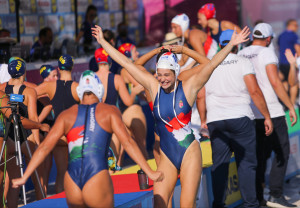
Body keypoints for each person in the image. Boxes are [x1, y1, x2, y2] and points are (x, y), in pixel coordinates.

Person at [92, 24, 250, 207]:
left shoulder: (189, 87)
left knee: (186, 205)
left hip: (189, 152)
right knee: (159, 203)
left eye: (167, 75)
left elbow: (212, 63)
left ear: (176, 72)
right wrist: (102, 41)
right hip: (166, 154)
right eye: (159, 74)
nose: (162, 79)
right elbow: (126, 63)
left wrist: (230, 45)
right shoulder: (153, 86)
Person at [12, 70, 164, 207]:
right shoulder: (109, 111)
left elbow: (45, 147)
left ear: (79, 92)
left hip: (72, 180)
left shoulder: (67, 115)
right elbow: (128, 143)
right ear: (99, 90)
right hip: (96, 176)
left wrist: (25, 176)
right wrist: (149, 172)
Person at [199, 29, 273, 208]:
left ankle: (218, 204)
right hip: (240, 118)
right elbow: (254, 91)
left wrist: (203, 120)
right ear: (237, 43)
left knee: (220, 165)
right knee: (246, 164)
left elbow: (201, 95)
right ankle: (250, 205)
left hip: (215, 120)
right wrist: (267, 116)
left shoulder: (211, 64)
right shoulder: (242, 62)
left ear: (220, 45)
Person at [238, 23, 297, 208]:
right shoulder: (267, 52)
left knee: (258, 156)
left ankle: (258, 197)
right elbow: (275, 82)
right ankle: (276, 194)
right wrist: (290, 106)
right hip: (271, 111)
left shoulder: (241, 53)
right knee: (281, 153)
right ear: (269, 39)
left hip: (250, 113)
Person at [0, 58, 46, 206]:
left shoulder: (1, 88)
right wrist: (37, 143)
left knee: (13, 182)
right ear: (23, 73)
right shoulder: (29, 92)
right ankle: (42, 204)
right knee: (38, 179)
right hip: (25, 138)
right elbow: (33, 120)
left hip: (8, 140)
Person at [35, 54, 79, 194]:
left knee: (61, 174)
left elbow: (28, 94)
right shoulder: (78, 88)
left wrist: (46, 104)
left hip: (59, 135)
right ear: (72, 67)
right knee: (77, 173)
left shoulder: (49, 86)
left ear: (59, 69)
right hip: (75, 135)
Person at [94, 47, 144, 166]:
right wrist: (134, 92)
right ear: (110, 60)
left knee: (100, 162)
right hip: (112, 121)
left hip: (96, 121)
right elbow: (127, 102)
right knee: (114, 161)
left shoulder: (90, 78)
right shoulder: (116, 79)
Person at [278, 19, 300, 105]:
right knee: (293, 84)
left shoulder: (281, 35)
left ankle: (285, 104)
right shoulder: (294, 36)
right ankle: (292, 104)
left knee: (285, 82)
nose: (297, 27)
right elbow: (298, 50)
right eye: (295, 25)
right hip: (292, 63)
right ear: (289, 25)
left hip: (282, 63)